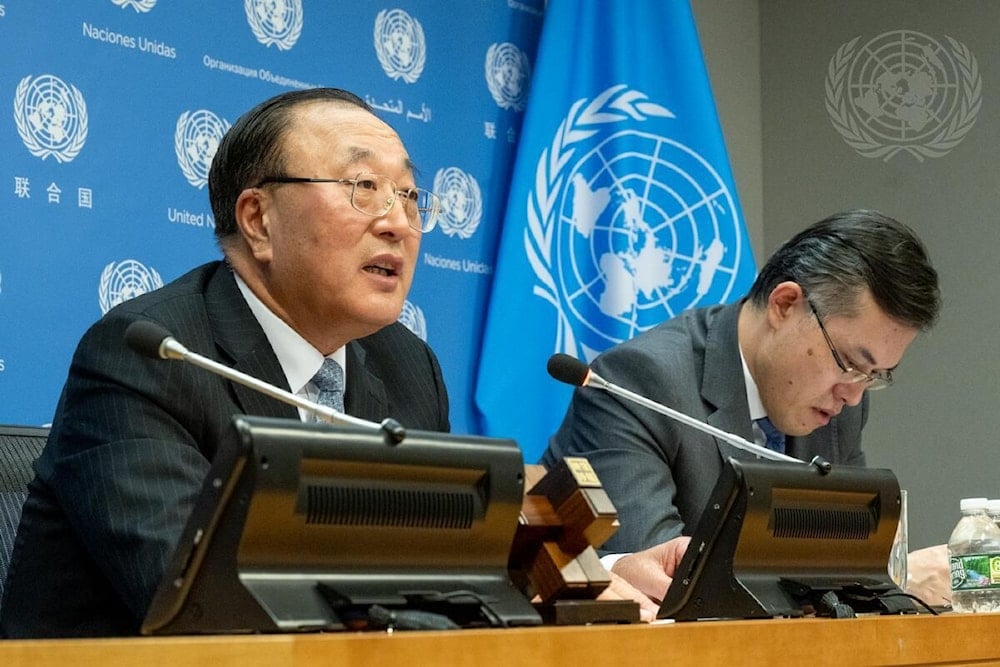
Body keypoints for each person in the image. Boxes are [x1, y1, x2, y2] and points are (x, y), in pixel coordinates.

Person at [0, 88, 452, 637]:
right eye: (363, 188)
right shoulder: (149, 355)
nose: (398, 223)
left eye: (407, 195)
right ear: (258, 220)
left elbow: (442, 579)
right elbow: (202, 603)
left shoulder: (406, 364)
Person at [542, 209, 948, 606]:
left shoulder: (839, 403)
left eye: (875, 374)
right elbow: (660, 579)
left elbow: (841, 558)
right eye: (849, 363)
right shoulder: (639, 382)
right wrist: (899, 576)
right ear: (785, 304)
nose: (854, 394)